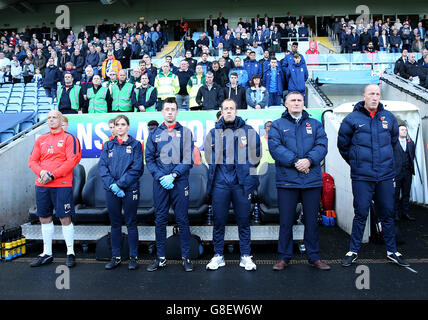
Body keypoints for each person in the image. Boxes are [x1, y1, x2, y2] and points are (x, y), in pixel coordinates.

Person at [337, 84, 410, 267]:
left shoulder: (389, 117)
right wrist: (356, 162)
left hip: (385, 176)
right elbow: (343, 146)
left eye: (377, 94)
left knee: (387, 214)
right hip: (362, 177)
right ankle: (353, 251)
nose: (375, 97)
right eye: (371, 94)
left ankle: (392, 251)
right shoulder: (352, 118)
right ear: (364, 96)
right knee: (361, 213)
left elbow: (393, 143)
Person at [269, 92, 330, 271]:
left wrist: (308, 160)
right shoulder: (277, 125)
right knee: (286, 221)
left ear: (303, 103)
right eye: (293, 100)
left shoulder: (315, 124)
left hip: (311, 181)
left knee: (312, 221)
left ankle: (314, 257)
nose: (296, 103)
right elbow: (275, 147)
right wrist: (296, 161)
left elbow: (322, 145)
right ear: (286, 104)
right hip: (287, 181)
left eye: (299, 100)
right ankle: (283, 257)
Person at [204, 99, 260, 271]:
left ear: (236, 111)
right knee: (219, 221)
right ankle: (218, 255)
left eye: (231, 108)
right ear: (221, 111)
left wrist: (245, 172)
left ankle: (245, 256)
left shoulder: (248, 131)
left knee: (243, 221)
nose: (228, 111)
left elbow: (256, 155)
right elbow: (208, 156)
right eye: (225, 108)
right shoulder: (213, 133)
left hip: (241, 185)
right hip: (220, 184)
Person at [145, 97, 195, 272]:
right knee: (160, 220)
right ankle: (160, 258)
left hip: (179, 182)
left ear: (177, 111)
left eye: (173, 109)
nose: (170, 112)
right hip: (160, 183)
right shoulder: (154, 134)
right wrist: (161, 177)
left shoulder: (186, 132)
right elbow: (149, 160)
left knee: (182, 219)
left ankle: (186, 257)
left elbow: (189, 158)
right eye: (167, 109)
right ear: (162, 111)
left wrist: (173, 175)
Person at [28, 110, 82, 268]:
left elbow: (72, 160)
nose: (51, 120)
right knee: (44, 217)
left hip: (62, 185)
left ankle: (70, 252)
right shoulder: (41, 139)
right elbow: (32, 161)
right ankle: (47, 253)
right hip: (42, 184)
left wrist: (53, 175)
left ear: (61, 120)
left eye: (54, 117)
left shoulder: (70, 138)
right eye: (49, 118)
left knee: (65, 218)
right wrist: (42, 172)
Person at [99, 115, 144, 270]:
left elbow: (137, 168)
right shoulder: (108, 145)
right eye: (117, 124)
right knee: (115, 223)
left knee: (131, 222)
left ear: (128, 127)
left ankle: (133, 257)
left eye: (123, 124)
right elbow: (103, 167)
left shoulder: (136, 145)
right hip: (111, 190)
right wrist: (112, 186)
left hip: (129, 189)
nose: (119, 127)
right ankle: (116, 256)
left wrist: (120, 184)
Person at [394, 124, 416, 221]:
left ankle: (405, 213)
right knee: (395, 194)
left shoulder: (411, 143)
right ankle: (395, 214)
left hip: (407, 172)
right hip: (397, 172)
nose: (404, 131)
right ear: (398, 131)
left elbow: (412, 156)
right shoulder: (393, 143)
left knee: (406, 193)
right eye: (402, 129)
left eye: (405, 130)